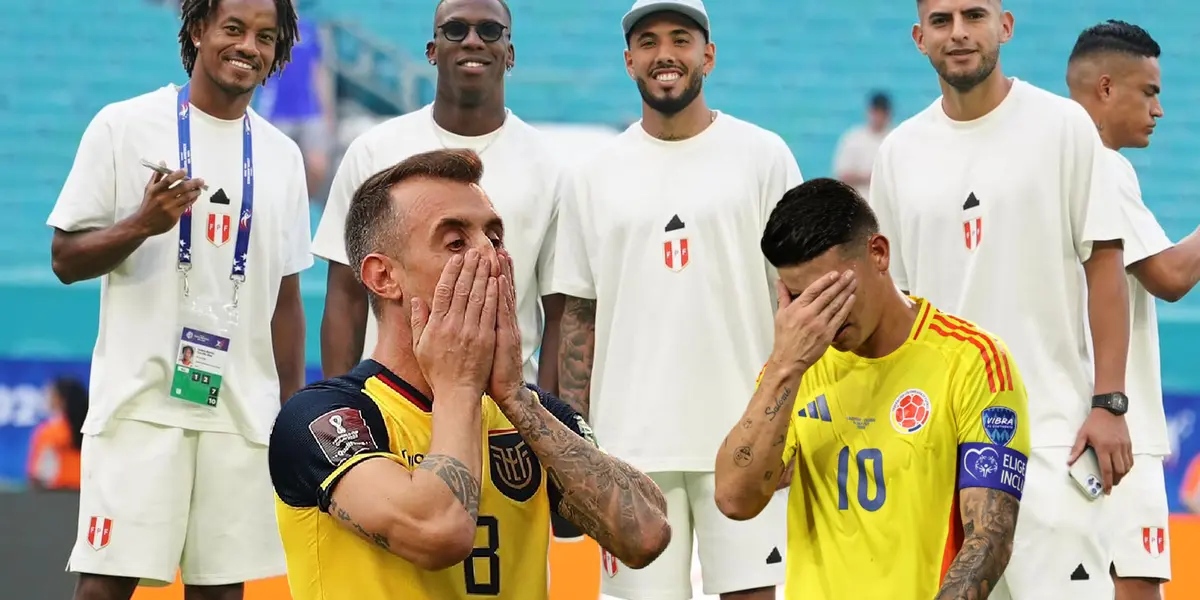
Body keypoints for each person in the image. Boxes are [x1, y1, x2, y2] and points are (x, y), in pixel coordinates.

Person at [268, 148, 671, 600]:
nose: (490, 256)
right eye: (457, 243)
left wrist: (517, 399)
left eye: (495, 239)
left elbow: (646, 536)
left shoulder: (527, 413)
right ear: (384, 277)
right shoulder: (323, 415)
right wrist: (459, 384)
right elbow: (439, 533)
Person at [45, 0, 310, 597]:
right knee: (105, 586)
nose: (249, 46)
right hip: (141, 406)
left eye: (266, 37)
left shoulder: (282, 156)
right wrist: (141, 223)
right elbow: (64, 259)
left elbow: (286, 300)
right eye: (234, 28)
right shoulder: (123, 126)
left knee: (220, 590)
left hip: (242, 416)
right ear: (197, 30)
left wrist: (291, 414)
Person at [868, 1, 1132, 598]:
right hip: (937, 448)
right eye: (941, 21)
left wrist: (1109, 403)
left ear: (1004, 27)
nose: (958, 33)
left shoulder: (1063, 127)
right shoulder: (899, 152)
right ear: (919, 37)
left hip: (1051, 436)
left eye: (974, 15)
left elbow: (1105, 265)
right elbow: (898, 306)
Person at [554, 1, 803, 598]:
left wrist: (797, 418)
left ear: (708, 55)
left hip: (747, 438)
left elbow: (799, 297)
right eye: (648, 41)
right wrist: (579, 452)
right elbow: (577, 320)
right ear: (629, 60)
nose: (665, 53)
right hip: (631, 448)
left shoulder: (764, 156)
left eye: (681, 39)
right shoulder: (593, 174)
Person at [712, 178, 1029, 598]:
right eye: (801, 297)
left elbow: (989, 539)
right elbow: (736, 499)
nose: (822, 314)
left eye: (832, 292)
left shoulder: (974, 362)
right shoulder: (798, 365)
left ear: (877, 254)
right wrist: (785, 366)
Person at [312, 0, 565, 400]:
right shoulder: (374, 151)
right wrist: (341, 406)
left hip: (501, 413)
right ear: (432, 51)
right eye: (455, 30)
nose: (472, 41)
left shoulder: (550, 165)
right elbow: (345, 294)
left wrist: (544, 426)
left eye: (489, 31)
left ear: (509, 53)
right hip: (387, 404)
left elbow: (560, 314)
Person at [1068, 20, 1200, 600]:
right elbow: (1171, 277)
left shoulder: (1048, 163)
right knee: (1135, 587)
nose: (1159, 110)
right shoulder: (1101, 165)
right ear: (1104, 88)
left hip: (1062, 425)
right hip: (1117, 431)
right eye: (1149, 92)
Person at [27, 377, 89, 491]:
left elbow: (40, 474)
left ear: (61, 399)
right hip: (87, 494)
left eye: (51, 394)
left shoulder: (51, 431)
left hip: (56, 496)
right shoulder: (90, 430)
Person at [831, 91, 892, 199]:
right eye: (876, 112)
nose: (879, 117)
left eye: (882, 113)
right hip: (859, 203)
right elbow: (842, 175)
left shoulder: (894, 139)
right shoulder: (853, 138)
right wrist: (868, 177)